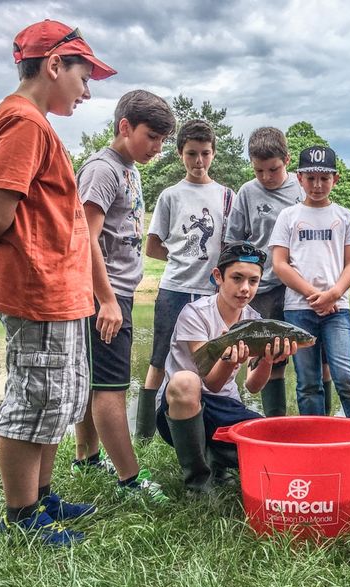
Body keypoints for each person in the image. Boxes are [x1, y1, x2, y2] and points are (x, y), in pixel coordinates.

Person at [0, 19, 115, 546]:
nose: (88, 88)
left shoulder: (34, 122)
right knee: (32, 399)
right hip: (37, 287)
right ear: (54, 64)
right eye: (84, 75)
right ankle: (21, 514)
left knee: (59, 399)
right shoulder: (25, 122)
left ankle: (43, 495)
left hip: (60, 290)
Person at [71, 90, 175, 503]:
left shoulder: (128, 167)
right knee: (112, 387)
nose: (158, 147)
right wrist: (108, 299)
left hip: (116, 290)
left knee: (96, 381)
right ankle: (130, 480)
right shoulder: (102, 170)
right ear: (125, 127)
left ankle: (87, 455)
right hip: (106, 292)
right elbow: (85, 240)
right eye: (152, 137)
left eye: (163, 140)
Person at [155, 242, 296, 494]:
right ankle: (197, 484)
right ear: (218, 277)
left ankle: (218, 462)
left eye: (253, 281)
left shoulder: (254, 321)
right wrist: (229, 360)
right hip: (179, 408)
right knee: (186, 380)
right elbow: (211, 382)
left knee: (274, 444)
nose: (245, 288)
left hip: (224, 406)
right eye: (237, 278)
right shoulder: (194, 314)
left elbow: (253, 387)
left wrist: (267, 360)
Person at [136, 120, 235, 439]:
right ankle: (145, 433)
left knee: (219, 354)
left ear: (214, 154)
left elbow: (230, 246)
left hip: (211, 292)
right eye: (191, 154)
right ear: (180, 154)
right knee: (160, 357)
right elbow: (152, 246)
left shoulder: (226, 196)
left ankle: (215, 419)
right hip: (175, 289)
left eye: (205, 153)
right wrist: (183, 256)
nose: (198, 161)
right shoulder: (170, 195)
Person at [225, 127, 334, 417]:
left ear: (286, 160)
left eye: (272, 169)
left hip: (303, 287)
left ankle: (321, 425)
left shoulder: (304, 189)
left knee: (316, 356)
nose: (266, 177)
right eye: (258, 170)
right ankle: (277, 424)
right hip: (265, 290)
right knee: (269, 357)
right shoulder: (247, 193)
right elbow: (234, 241)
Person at [270, 145, 350, 422]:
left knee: (347, 376)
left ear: (335, 179)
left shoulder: (345, 217)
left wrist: (334, 294)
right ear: (299, 178)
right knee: (307, 383)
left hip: (336, 309)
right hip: (297, 308)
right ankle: (315, 441)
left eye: (324, 178)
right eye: (311, 178)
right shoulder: (288, 216)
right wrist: (313, 294)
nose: (317, 185)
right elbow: (280, 263)